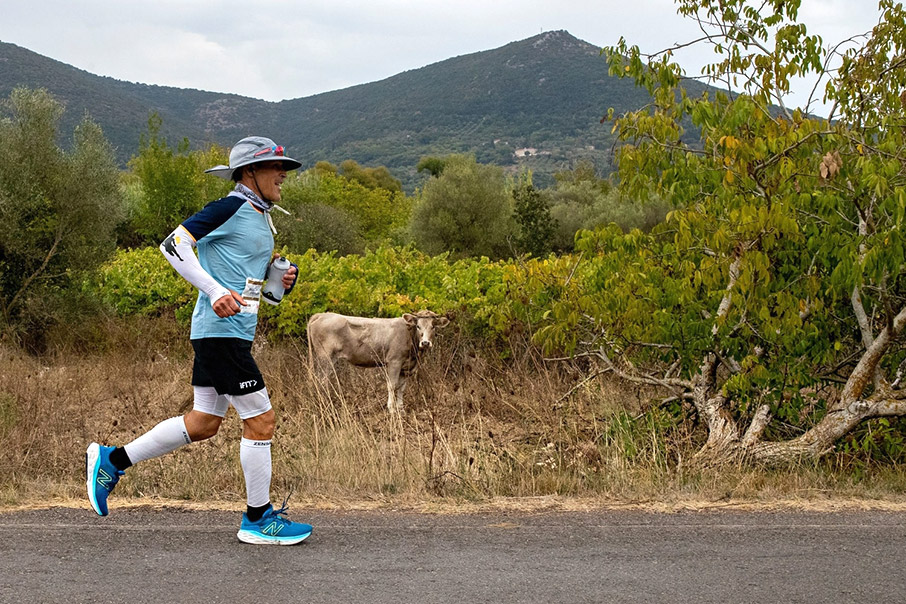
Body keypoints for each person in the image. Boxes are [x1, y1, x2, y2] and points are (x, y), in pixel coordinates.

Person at [86, 136, 312, 545]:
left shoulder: (261, 216)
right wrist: (212, 290)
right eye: (275, 167)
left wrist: (281, 280)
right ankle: (257, 519)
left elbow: (256, 286)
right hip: (220, 334)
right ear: (249, 173)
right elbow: (173, 245)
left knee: (204, 422)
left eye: (285, 167)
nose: (283, 174)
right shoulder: (232, 206)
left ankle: (112, 460)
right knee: (261, 420)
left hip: (227, 334)